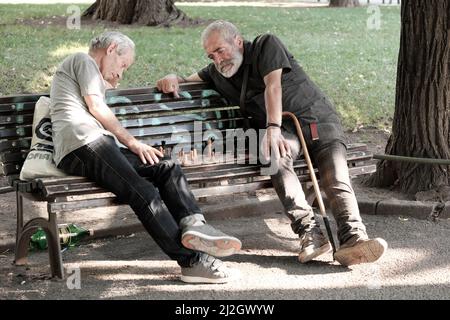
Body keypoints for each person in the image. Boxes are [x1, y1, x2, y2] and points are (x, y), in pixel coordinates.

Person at [156, 20, 388, 267]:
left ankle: (354, 240)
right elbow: (186, 79)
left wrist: (272, 128)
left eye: (220, 50)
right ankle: (311, 234)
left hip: (316, 121)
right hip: (282, 133)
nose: (217, 59)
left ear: (237, 40)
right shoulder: (217, 73)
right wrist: (174, 77)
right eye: (211, 55)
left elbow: (273, 86)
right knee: (271, 156)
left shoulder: (265, 45)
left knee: (335, 176)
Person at [49, 31, 242, 284]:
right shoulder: (82, 60)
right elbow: (97, 108)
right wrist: (133, 142)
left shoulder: (91, 74)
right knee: (143, 193)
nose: (122, 72)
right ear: (111, 49)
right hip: (82, 144)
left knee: (166, 167)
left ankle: (194, 225)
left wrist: (109, 80)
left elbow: (96, 103)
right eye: (123, 64)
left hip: (96, 145)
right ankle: (192, 262)